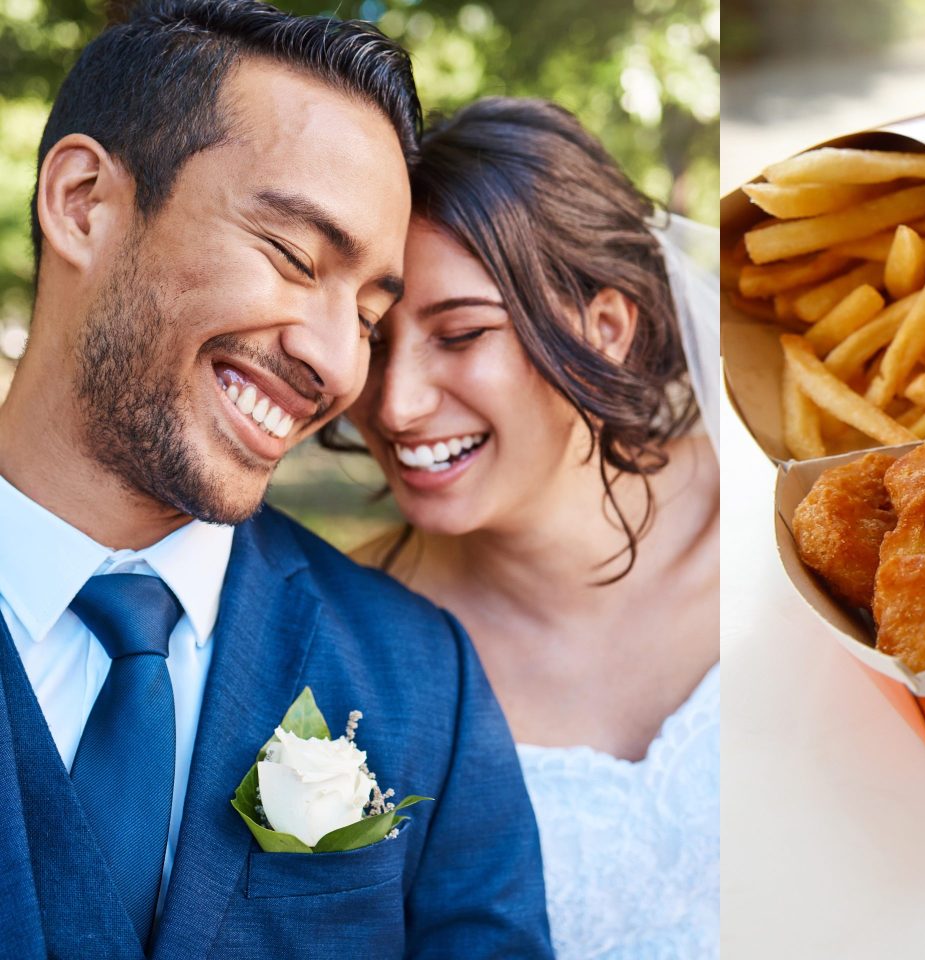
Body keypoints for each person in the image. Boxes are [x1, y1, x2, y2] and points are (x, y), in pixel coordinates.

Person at [0, 2, 552, 957]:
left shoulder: (424, 680)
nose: (339, 365)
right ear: (84, 201)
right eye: (295, 256)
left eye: (370, 316)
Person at [342, 98, 719, 957]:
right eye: (372, 338)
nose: (395, 405)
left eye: (461, 333)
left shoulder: (772, 514)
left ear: (607, 328)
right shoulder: (348, 636)